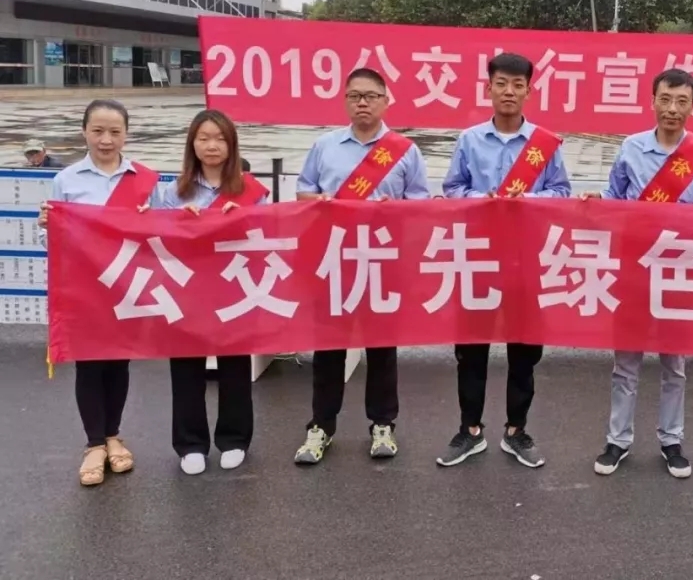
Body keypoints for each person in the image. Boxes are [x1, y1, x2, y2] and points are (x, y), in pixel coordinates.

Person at [437, 51, 572, 469]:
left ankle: (516, 430)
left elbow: (562, 193)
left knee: (525, 351)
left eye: (517, 85)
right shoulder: (469, 140)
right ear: (489, 88)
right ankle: (470, 430)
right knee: (471, 350)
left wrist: (525, 199)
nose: (509, 91)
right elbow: (452, 189)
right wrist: (485, 200)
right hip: (478, 257)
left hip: (526, 259)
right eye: (501, 84)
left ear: (529, 91)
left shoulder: (544, 144)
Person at [583, 69, 693, 479]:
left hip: (679, 270)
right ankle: (617, 440)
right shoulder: (631, 148)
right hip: (635, 270)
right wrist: (594, 202)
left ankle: (671, 440)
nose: (672, 108)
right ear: (652, 101)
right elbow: (613, 198)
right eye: (665, 99)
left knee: (674, 364)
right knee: (626, 362)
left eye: (682, 101)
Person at [292, 67, 430, 466]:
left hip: (383, 261)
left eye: (371, 96)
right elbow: (303, 191)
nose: (363, 103)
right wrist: (322, 202)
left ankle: (382, 424)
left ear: (386, 101)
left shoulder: (405, 150)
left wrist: (395, 209)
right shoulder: (325, 146)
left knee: (382, 348)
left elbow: (421, 204)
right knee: (329, 349)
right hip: (334, 260)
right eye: (355, 96)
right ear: (345, 101)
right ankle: (321, 426)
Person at [37, 99, 160, 487]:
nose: (106, 139)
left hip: (126, 285)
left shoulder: (145, 179)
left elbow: (161, 235)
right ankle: (94, 443)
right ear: (84, 132)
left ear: (126, 134)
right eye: (98, 131)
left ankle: (113, 435)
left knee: (119, 362)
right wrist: (48, 227)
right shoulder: (67, 179)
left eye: (115, 132)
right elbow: (53, 240)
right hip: (85, 286)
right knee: (89, 363)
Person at [147, 109, 269, 476]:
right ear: (192, 145)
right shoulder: (173, 192)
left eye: (219, 138)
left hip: (234, 288)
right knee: (186, 369)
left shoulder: (250, 190)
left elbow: (267, 240)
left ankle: (234, 439)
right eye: (203, 138)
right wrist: (179, 222)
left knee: (235, 369)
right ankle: (190, 444)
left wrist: (242, 221)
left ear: (231, 145)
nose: (212, 145)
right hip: (187, 290)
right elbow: (156, 242)